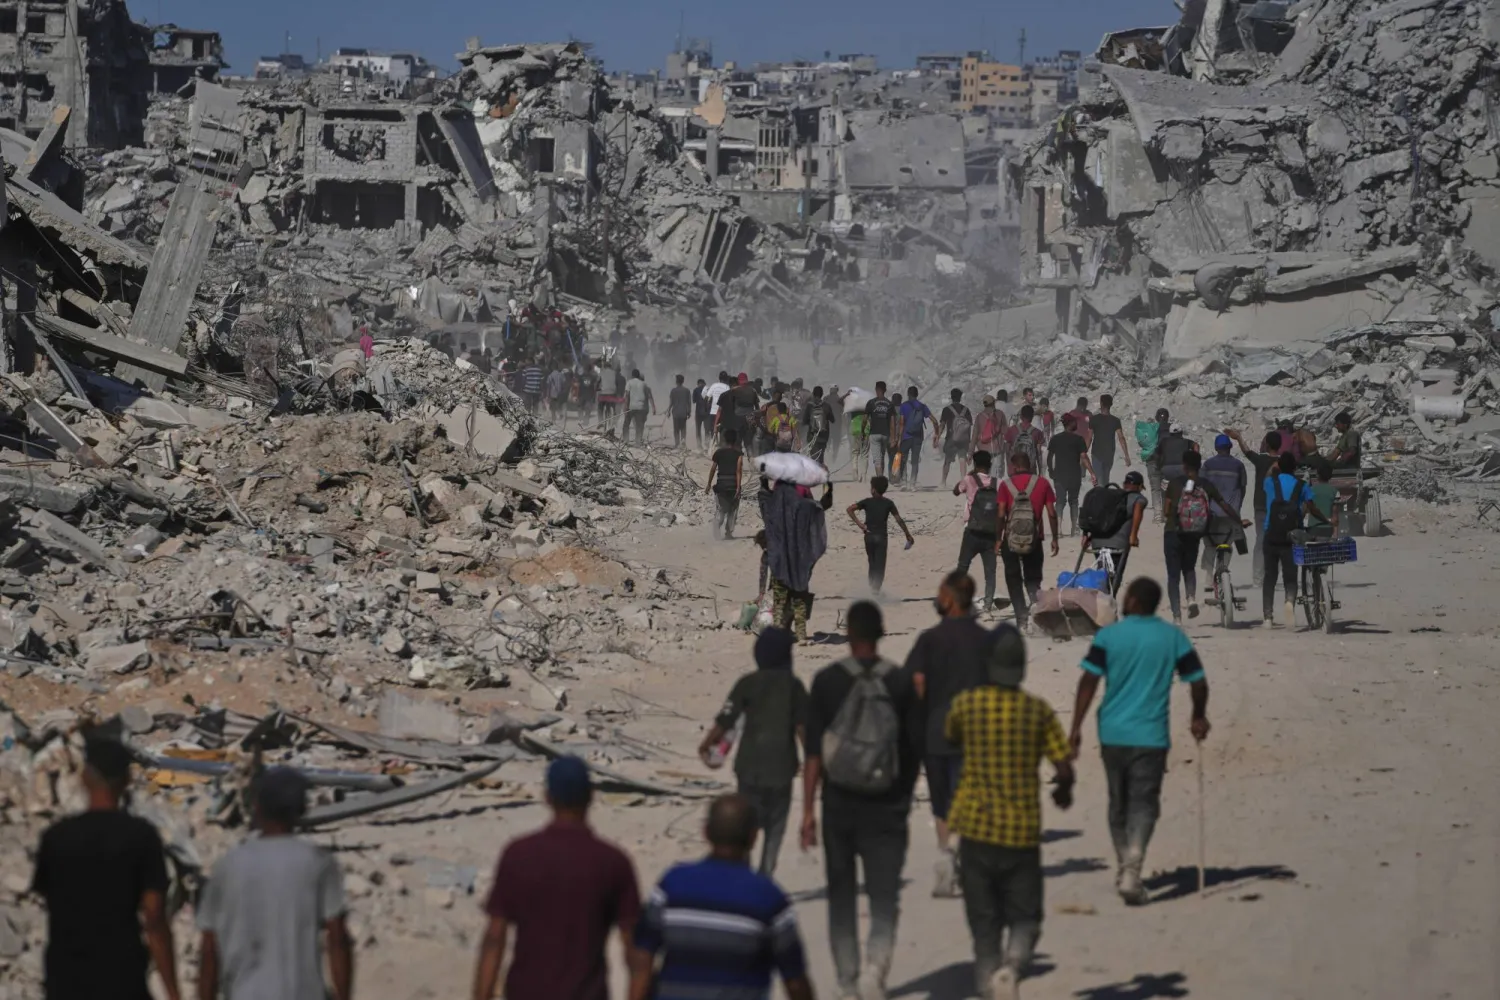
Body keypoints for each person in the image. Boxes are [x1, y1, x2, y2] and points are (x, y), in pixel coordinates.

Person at [947, 626, 1074, 1000]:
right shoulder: (1038, 710)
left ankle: (988, 975)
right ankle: (1014, 963)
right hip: (1021, 832)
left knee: (983, 918)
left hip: (975, 829)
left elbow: (950, 737)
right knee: (1026, 915)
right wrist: (1064, 789)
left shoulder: (966, 705)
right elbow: (1063, 764)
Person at [801, 602, 919, 1000]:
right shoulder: (900, 682)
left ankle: (847, 977)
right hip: (887, 804)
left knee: (841, 891)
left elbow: (813, 754)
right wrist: (903, 798)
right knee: (884, 892)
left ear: (849, 634)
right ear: (881, 633)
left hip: (838, 805)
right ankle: (876, 970)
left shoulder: (827, 681)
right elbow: (912, 750)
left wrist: (807, 813)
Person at [1070, 578, 1209, 906]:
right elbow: (1198, 681)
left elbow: (1088, 681)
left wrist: (1075, 728)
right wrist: (1198, 716)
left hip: (1113, 732)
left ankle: (1126, 865)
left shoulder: (1109, 635)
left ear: (1132, 600)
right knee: (1145, 801)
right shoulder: (1172, 637)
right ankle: (1132, 867)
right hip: (1151, 735)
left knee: (1118, 803)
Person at [472, 757, 641, 1000]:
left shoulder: (519, 855)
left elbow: (495, 938)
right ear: (590, 797)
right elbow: (634, 950)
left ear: (547, 797)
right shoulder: (613, 862)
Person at [32, 738, 182, 1000]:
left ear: (84, 778)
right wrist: (172, 990)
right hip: (122, 977)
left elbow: (47, 899)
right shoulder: (141, 837)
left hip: (66, 979)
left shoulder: (56, 838)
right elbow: (154, 915)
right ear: (125, 780)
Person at [630, 795, 813, 1000]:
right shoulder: (768, 897)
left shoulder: (671, 886)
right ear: (753, 838)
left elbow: (642, 958)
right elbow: (795, 982)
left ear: (706, 833)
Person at [198, 767, 352, 1000]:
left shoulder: (229, 865)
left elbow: (209, 948)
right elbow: (338, 938)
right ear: (302, 809)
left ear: (257, 807)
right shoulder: (317, 862)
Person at [697, 628, 809, 878]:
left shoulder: (747, 683)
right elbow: (804, 730)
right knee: (776, 827)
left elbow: (726, 720)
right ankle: (766, 873)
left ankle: (742, 874)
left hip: (749, 768)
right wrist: (813, 760)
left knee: (746, 823)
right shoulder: (793, 686)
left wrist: (706, 745)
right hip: (782, 768)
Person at [906, 572, 991, 898]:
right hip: (976, 734)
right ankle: (964, 857)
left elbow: (916, 683)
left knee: (941, 803)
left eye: (941, 594)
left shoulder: (930, 640)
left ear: (951, 599)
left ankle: (946, 854)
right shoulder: (985, 640)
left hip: (937, 733)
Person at [1158, 450, 1230, 625]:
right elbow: (1223, 504)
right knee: (1189, 568)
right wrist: (1238, 520)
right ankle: (1191, 598)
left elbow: (1166, 511)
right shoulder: (1206, 484)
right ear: (1199, 466)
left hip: (1173, 532)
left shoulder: (1174, 484)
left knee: (1173, 576)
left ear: (1184, 465)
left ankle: (1177, 616)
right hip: (1194, 533)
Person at [760, 477, 832, 643]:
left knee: (779, 601)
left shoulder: (775, 508)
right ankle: (800, 635)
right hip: (800, 560)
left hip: (780, 560)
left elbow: (764, 500)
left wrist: (763, 485)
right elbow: (823, 506)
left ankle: (779, 633)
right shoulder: (806, 507)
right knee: (799, 599)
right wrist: (828, 484)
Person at [1261, 451, 1328, 628]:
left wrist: (1274, 466)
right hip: (1292, 536)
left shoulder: (1270, 482)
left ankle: (1267, 618)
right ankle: (1289, 601)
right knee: (1290, 577)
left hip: (1271, 534)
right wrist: (1325, 520)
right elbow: (1312, 508)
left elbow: (1268, 474)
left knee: (1270, 577)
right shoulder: (1302, 485)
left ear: (1280, 466)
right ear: (1295, 468)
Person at [996, 452, 1060, 632]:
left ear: (1014, 466)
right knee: (1033, 580)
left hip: (1010, 540)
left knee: (1013, 579)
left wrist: (997, 539)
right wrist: (1054, 538)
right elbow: (1052, 513)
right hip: (1034, 539)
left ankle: (1021, 619)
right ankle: (1037, 614)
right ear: (1029, 465)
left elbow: (1001, 513)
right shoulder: (1042, 483)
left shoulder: (1005, 485)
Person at [1226, 428, 1283, 587]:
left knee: (1261, 540)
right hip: (1279, 506)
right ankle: (1273, 575)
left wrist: (1239, 438)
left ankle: (1258, 578)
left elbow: (1247, 452)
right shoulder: (1284, 461)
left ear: (1266, 444)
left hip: (1261, 506)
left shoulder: (1260, 460)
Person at [1085, 471, 1149, 597]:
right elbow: (1138, 510)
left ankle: (1100, 599)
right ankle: (1107, 602)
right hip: (1118, 544)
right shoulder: (1138, 498)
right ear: (1139, 486)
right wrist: (1133, 536)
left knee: (1102, 572)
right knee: (1115, 575)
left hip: (1097, 541)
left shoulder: (1107, 496)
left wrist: (1085, 535)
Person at [848, 475, 914, 595]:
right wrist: (907, 534)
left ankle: (871, 588)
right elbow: (899, 520)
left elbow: (850, 509)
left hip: (869, 536)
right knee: (880, 566)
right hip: (881, 537)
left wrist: (860, 525)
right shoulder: (888, 503)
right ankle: (875, 591)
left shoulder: (867, 502)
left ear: (873, 489)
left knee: (872, 564)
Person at [955, 450, 1002, 612]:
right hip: (991, 532)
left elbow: (956, 491)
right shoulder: (997, 482)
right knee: (990, 571)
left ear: (975, 464)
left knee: (963, 566)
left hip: (972, 530)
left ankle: (958, 600)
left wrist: (969, 475)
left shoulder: (969, 479)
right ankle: (988, 603)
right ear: (990, 465)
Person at [1197, 434, 1249, 576]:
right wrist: (1237, 507)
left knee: (1209, 545)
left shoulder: (1207, 465)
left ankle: (1208, 576)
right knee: (1228, 544)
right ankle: (1223, 571)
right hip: (1231, 515)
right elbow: (1243, 488)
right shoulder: (1239, 465)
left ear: (1216, 448)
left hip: (1211, 515)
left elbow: (1200, 488)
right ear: (1230, 448)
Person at [1047, 413, 1095, 535]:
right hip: (1074, 475)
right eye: (1074, 422)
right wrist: (1092, 473)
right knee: (1073, 501)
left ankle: (1058, 529)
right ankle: (1074, 528)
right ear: (1070, 423)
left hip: (1059, 475)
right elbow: (1084, 457)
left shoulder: (1055, 439)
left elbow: (1049, 457)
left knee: (1059, 501)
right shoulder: (1078, 439)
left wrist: (1051, 471)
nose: (1076, 424)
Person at [707, 428, 744, 540]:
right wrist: (738, 487)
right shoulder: (739, 454)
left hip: (721, 485)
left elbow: (713, 469)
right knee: (733, 510)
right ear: (735, 440)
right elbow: (738, 471)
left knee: (721, 509)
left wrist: (708, 484)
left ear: (724, 439)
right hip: (733, 485)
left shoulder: (718, 453)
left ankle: (717, 526)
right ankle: (728, 532)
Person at [896, 386, 937, 489]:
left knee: (903, 458)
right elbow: (934, 420)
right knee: (915, 460)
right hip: (918, 437)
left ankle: (903, 481)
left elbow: (901, 423)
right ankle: (913, 483)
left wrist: (899, 438)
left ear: (908, 394)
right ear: (917, 394)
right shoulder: (922, 406)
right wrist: (936, 432)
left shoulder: (904, 406)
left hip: (906, 436)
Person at [1088, 395, 1131, 486]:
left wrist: (1083, 452)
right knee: (1105, 479)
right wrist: (1126, 455)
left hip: (1096, 454)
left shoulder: (1093, 419)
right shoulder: (1115, 421)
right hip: (1109, 454)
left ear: (1101, 403)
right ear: (1111, 404)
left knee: (1098, 480)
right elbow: (1121, 438)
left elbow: (1089, 437)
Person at [938, 388, 974, 487]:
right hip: (964, 439)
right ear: (960, 397)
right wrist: (969, 440)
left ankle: (943, 482)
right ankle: (963, 481)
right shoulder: (966, 410)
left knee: (947, 460)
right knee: (962, 459)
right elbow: (969, 426)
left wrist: (937, 436)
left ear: (951, 397)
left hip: (951, 438)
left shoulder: (947, 409)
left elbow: (942, 425)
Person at [1141, 408, 1171, 517]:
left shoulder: (1151, 429)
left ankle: (1158, 514)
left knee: (1155, 488)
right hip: (1167, 462)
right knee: (1165, 487)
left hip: (1152, 461)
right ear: (1167, 418)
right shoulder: (1171, 429)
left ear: (1156, 418)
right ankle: (1165, 512)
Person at [1002, 405, 1046, 479]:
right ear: (1032, 417)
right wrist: (1040, 471)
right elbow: (1039, 453)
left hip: (1015, 469)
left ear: (1021, 416)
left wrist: (1009, 468)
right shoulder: (1037, 432)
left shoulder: (1011, 430)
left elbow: (1007, 451)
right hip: (1031, 469)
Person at [864, 382, 897, 478]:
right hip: (885, 434)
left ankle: (880, 479)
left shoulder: (871, 403)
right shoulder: (890, 404)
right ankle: (882, 477)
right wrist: (893, 438)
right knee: (882, 457)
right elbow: (892, 423)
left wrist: (863, 431)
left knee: (877, 460)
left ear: (876, 389)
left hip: (874, 434)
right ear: (885, 390)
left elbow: (865, 419)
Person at [801, 386, 836, 464]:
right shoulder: (827, 405)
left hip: (812, 436)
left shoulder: (809, 406)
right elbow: (833, 420)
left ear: (813, 394)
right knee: (821, 458)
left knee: (814, 458)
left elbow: (804, 421)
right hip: (823, 437)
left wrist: (811, 423)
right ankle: (820, 473)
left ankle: (816, 473)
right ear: (822, 394)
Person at [623, 369, 655, 445]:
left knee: (626, 424)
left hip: (631, 407)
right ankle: (638, 441)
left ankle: (626, 440)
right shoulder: (644, 384)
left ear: (632, 375)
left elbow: (627, 395)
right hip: (641, 407)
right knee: (639, 425)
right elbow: (649, 396)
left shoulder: (629, 382)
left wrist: (625, 407)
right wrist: (653, 407)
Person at [975, 395, 1006, 464]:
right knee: (996, 473)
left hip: (983, 450)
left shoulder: (979, 416)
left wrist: (971, 451)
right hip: (997, 450)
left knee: (984, 473)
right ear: (993, 403)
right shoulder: (1000, 414)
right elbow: (1005, 431)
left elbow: (974, 435)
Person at [668, 374, 693, 449]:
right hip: (683, 413)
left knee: (676, 430)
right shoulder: (687, 391)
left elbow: (671, 402)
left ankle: (677, 444)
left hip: (675, 412)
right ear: (683, 381)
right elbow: (689, 403)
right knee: (683, 429)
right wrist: (689, 412)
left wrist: (668, 411)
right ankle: (683, 443)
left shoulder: (673, 391)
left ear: (676, 381)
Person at [848, 403, 872, 483]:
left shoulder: (852, 408)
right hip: (865, 432)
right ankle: (864, 475)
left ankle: (855, 471)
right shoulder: (867, 409)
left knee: (855, 452)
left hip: (855, 431)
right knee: (864, 454)